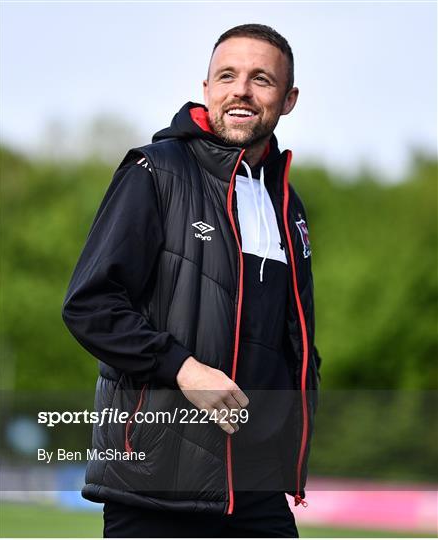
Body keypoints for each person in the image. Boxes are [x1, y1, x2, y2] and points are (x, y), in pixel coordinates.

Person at [63, 23, 322, 538]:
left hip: (256, 486)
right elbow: (90, 306)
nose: (241, 90)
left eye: (261, 79)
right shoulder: (155, 171)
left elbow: (287, 340)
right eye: (227, 76)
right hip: (153, 484)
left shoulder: (288, 204)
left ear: (289, 99)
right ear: (207, 90)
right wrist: (181, 368)